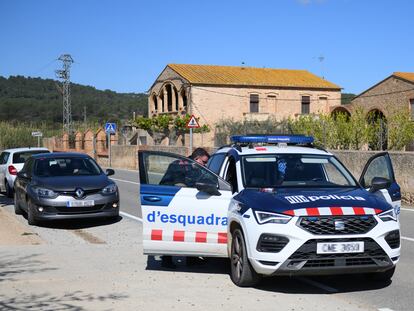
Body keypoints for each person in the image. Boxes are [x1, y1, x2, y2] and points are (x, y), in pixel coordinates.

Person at [161, 148, 210, 269]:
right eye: (204, 162)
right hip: (174, 203)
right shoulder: (179, 165)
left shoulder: (197, 167)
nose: (205, 165)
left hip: (190, 205)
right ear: (196, 159)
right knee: (171, 233)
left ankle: (191, 259)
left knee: (192, 232)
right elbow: (174, 185)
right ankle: (166, 260)